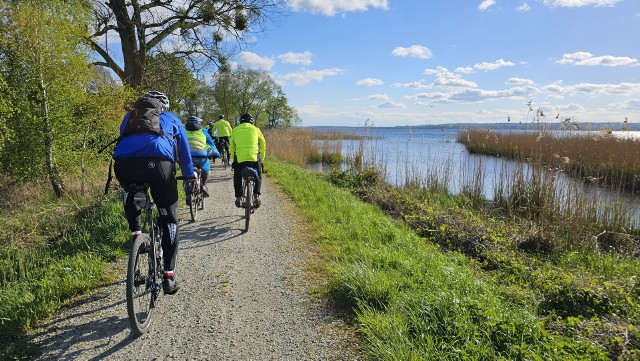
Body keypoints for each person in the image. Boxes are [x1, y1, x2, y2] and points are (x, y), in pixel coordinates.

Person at [112, 91, 194, 295]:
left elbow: (123, 140)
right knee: (169, 220)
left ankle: (137, 235)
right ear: (163, 106)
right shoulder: (172, 118)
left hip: (124, 166)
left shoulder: (130, 116)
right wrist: (189, 175)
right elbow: (183, 153)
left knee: (131, 190)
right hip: (159, 166)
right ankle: (168, 276)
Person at [229, 113, 266, 208]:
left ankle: (238, 197)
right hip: (254, 157)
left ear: (240, 121)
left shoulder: (235, 130)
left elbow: (232, 146)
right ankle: (256, 195)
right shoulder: (256, 129)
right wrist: (262, 158)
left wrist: (234, 158)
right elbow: (263, 143)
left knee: (237, 176)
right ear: (251, 121)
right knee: (258, 175)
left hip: (240, 158)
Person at [184, 115, 219, 203]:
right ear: (199, 123)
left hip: (187, 157)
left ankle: (187, 191)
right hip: (201, 157)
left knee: (186, 173)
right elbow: (211, 143)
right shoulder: (203, 130)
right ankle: (203, 185)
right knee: (207, 171)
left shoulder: (183, 130)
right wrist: (214, 152)